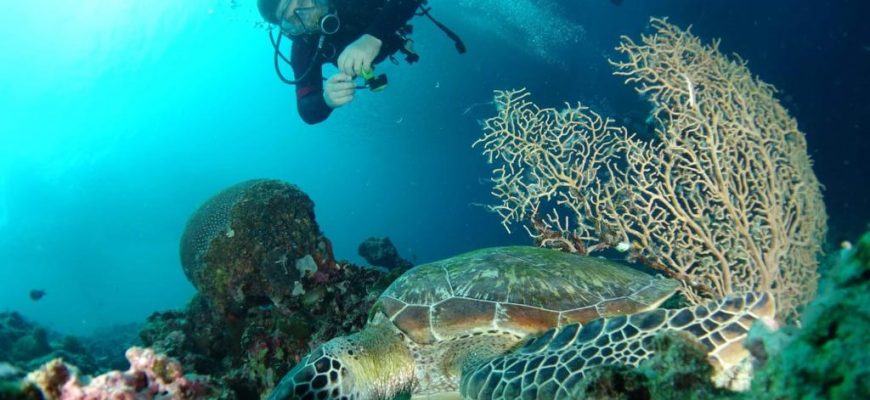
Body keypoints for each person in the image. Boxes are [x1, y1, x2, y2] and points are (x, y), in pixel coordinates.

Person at [258, 0, 430, 125]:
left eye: (302, 1)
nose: (310, 8)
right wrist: (326, 99)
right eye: (296, 17)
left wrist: (373, 37)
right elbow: (307, 111)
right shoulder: (304, 47)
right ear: (290, 28)